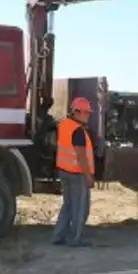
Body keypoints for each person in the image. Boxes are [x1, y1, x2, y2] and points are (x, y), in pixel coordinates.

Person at [52, 97, 95, 247]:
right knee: (80, 208)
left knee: (68, 205)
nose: (88, 116)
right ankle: (77, 239)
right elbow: (81, 156)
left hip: (64, 171)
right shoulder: (78, 131)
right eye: (86, 112)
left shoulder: (64, 124)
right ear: (78, 112)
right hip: (77, 174)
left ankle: (58, 236)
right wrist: (88, 176)